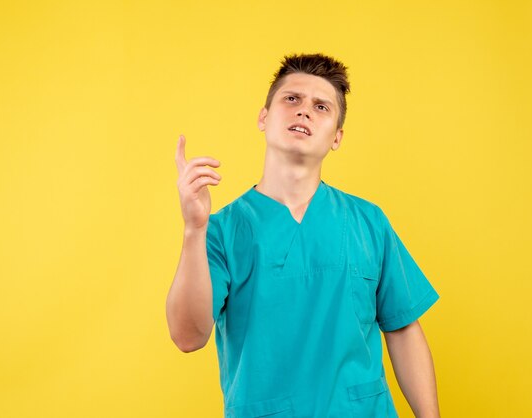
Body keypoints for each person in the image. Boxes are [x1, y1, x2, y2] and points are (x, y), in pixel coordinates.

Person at [167, 53, 441, 417]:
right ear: (263, 117)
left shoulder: (368, 223)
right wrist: (193, 229)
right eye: (291, 99)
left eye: (321, 106)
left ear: (337, 138)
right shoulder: (221, 231)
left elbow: (403, 329)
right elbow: (187, 337)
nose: (304, 111)